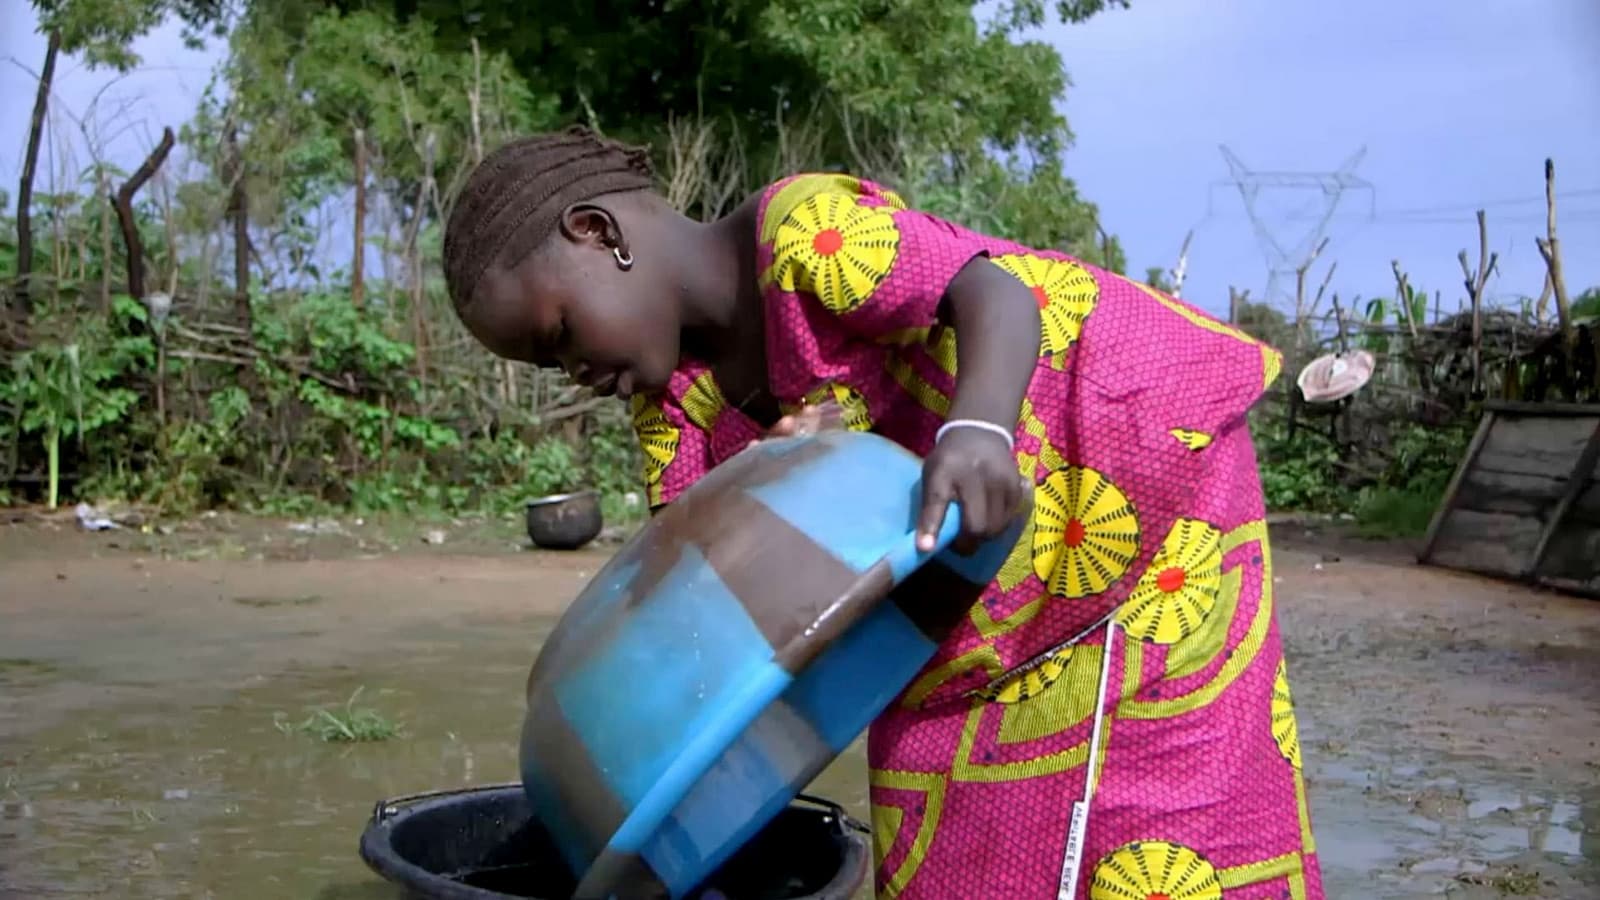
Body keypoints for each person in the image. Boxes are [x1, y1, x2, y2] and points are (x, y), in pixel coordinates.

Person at [444, 126, 1323, 900]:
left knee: (1162, 813)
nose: (574, 374)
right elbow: (710, 623)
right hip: (963, 598)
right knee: (939, 813)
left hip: (1136, 470)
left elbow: (997, 294)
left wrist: (978, 427)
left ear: (596, 234)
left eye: (558, 335)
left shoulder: (796, 234)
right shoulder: (674, 411)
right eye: (549, 368)